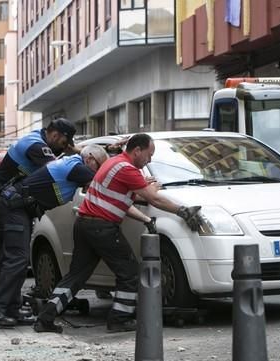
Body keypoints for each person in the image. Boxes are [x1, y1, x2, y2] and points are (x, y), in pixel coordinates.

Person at [33, 133, 202, 334]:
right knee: (130, 272)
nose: (150, 160)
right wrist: (181, 210)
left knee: (76, 276)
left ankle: (46, 318)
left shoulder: (113, 163)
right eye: (149, 155)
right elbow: (154, 200)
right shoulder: (127, 169)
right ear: (137, 151)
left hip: (85, 224)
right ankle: (119, 319)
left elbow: (123, 199)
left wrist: (144, 199)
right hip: (102, 227)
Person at [0, 118, 77, 316]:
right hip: (2, 199)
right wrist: (79, 157)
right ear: (55, 135)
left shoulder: (35, 139)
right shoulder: (37, 147)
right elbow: (57, 169)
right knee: (14, 253)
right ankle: (2, 303)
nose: (62, 149)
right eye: (62, 144)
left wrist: (73, 151)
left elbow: (56, 157)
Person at [0, 144, 109, 326]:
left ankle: (11, 308)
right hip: (15, 208)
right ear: (89, 159)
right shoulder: (76, 167)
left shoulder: (73, 163)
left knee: (17, 259)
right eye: (99, 165)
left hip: (19, 208)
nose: (99, 169)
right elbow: (103, 184)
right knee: (17, 259)